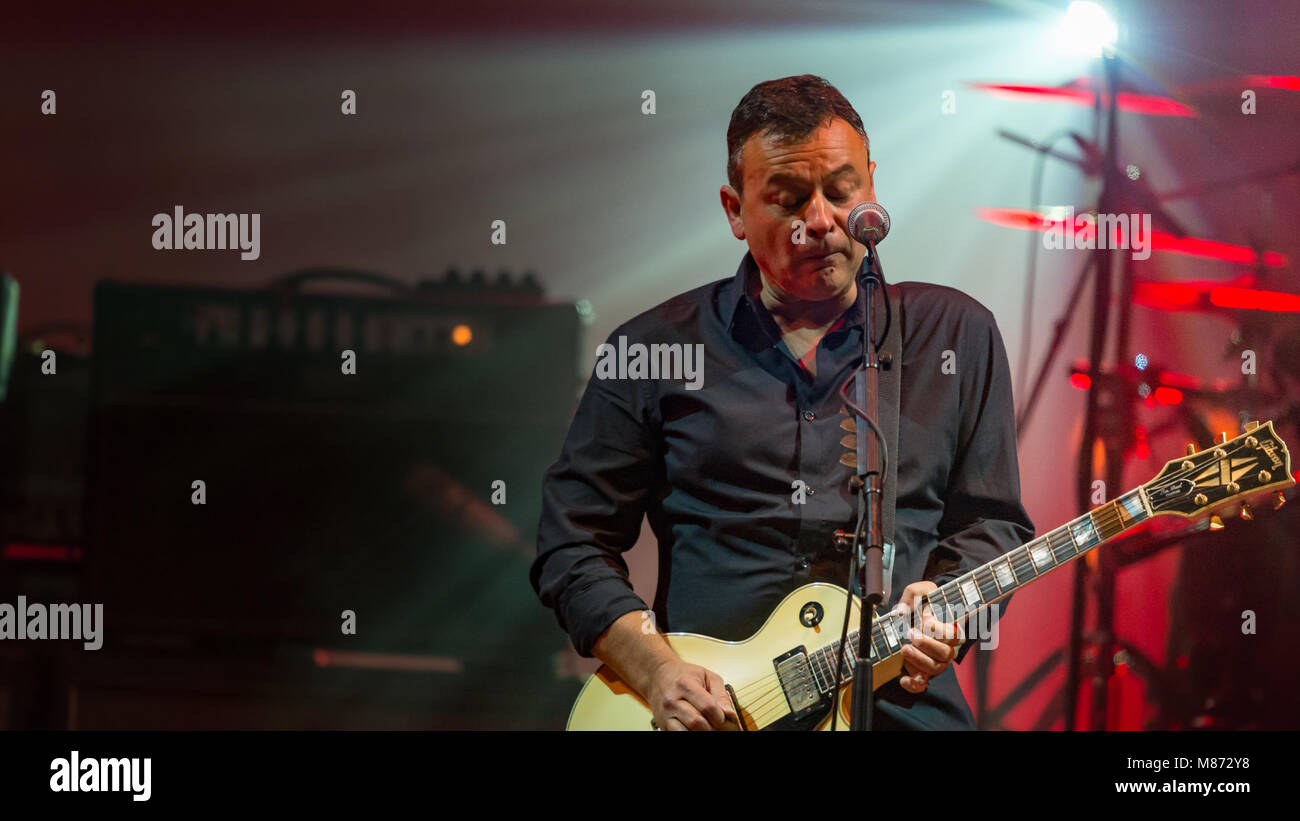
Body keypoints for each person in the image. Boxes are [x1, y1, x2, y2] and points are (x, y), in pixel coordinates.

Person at [531, 74, 1034, 730]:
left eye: (840, 189)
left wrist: (952, 606)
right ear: (735, 210)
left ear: (872, 185)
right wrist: (656, 670)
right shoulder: (654, 349)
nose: (819, 221)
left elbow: (993, 524)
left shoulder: (956, 334)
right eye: (790, 198)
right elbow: (571, 541)